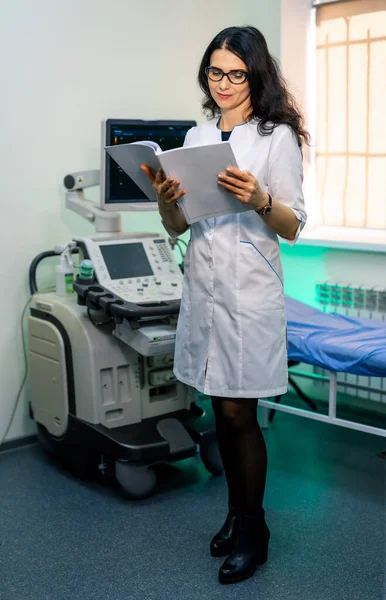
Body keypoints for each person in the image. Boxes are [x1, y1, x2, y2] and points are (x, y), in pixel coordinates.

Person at [141, 25, 308, 585]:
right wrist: (168, 202)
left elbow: (293, 226)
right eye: (216, 73)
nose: (225, 84)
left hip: (250, 293)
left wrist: (259, 198)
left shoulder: (275, 137)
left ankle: (254, 528)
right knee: (220, 410)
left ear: (255, 76)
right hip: (205, 288)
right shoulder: (195, 136)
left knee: (241, 415)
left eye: (237, 74)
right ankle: (236, 514)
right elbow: (178, 223)